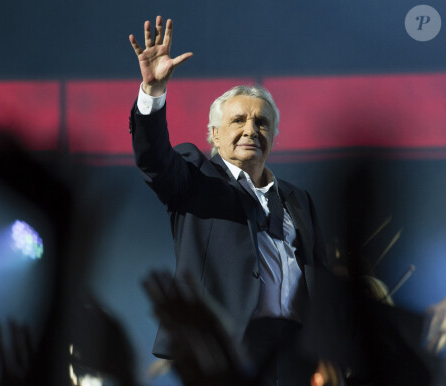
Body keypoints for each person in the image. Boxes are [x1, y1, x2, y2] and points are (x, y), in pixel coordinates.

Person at [128, 16, 330, 385]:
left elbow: (321, 275)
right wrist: (153, 93)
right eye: (238, 121)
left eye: (262, 123)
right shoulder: (196, 177)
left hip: (296, 356)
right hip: (224, 347)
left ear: (274, 135)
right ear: (214, 135)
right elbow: (154, 160)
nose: (251, 130)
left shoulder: (299, 200)